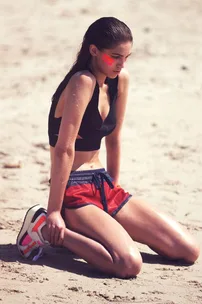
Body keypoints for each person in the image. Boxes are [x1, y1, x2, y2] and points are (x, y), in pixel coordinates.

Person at [16, 17, 200, 278]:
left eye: (127, 57)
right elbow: (64, 150)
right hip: (73, 191)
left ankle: (84, 228)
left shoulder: (119, 79)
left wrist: (113, 185)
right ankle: (45, 227)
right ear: (94, 50)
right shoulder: (82, 81)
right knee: (128, 264)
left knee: (188, 249)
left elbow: (114, 137)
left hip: (102, 184)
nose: (122, 64)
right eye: (116, 57)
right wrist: (55, 210)